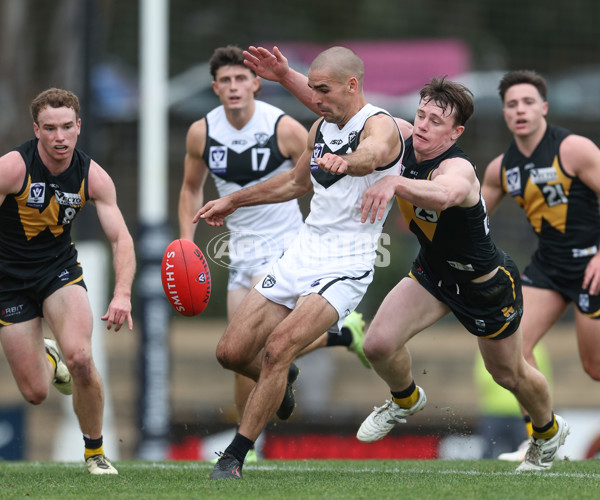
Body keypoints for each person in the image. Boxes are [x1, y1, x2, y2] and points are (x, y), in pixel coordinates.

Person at [244, 47, 569, 472]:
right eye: (421, 116)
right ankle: (406, 399)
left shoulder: (459, 169)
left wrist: (395, 183)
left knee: (508, 375)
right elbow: (342, 108)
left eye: (437, 122)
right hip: (433, 272)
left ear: (456, 132)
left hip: (484, 284)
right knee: (378, 344)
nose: (423, 127)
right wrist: (286, 76)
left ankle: (547, 432)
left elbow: (445, 194)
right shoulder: (399, 137)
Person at [196, 46, 404, 479]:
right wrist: (233, 199)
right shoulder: (320, 126)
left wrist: (345, 162)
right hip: (303, 251)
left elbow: (373, 153)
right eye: (312, 89)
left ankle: (234, 456)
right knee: (230, 352)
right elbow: (294, 182)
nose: (316, 98)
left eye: (322, 90)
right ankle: (280, 380)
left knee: (276, 348)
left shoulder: (381, 124)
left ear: (352, 85)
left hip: (348, 262)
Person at [0, 88, 135, 475]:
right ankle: (48, 356)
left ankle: (95, 454)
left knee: (81, 357)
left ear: (79, 127)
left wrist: (122, 293)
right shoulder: (13, 168)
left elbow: (121, 238)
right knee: (36, 393)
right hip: (8, 281)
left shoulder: (93, 177)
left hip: (58, 273)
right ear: (36, 130)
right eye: (49, 128)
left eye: (66, 127)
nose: (59, 137)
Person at [481, 70, 600, 461]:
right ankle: (543, 439)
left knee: (594, 367)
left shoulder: (574, 150)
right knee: (511, 350)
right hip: (547, 268)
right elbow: (469, 221)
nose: (521, 110)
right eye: (512, 104)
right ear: (504, 113)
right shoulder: (500, 168)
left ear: (544, 108)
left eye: (528, 102)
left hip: (591, 266)